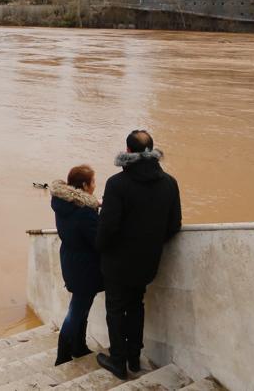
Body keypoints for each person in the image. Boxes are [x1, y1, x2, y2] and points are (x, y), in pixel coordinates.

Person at [95, 130, 181, 380]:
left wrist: (101, 248)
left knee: (115, 308)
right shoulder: (169, 183)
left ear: (128, 152)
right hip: (147, 261)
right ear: (152, 150)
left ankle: (118, 361)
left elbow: (107, 227)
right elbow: (174, 225)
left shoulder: (117, 184)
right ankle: (134, 357)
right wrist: (151, 243)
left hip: (117, 263)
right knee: (136, 305)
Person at [49, 164, 103, 365]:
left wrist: (94, 206)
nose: (95, 185)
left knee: (82, 305)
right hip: (86, 266)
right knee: (78, 309)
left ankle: (79, 347)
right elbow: (97, 241)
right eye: (93, 181)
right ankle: (63, 354)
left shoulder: (64, 204)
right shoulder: (85, 212)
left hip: (71, 260)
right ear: (85, 185)